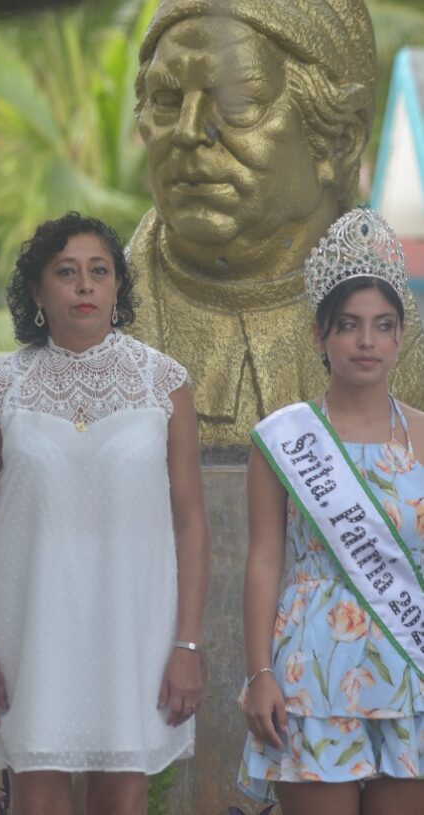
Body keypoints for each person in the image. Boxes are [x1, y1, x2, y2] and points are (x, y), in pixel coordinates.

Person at [0, 212, 210, 815]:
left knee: (124, 799)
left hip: (135, 633)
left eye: (100, 271)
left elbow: (192, 523)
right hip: (30, 633)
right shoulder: (0, 389)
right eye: (66, 273)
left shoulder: (163, 385)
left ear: (118, 286)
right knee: (38, 801)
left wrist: (188, 645)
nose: (85, 285)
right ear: (38, 293)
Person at [129, 0, 424, 448]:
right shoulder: (89, 338)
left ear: (338, 144)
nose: (189, 131)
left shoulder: (412, 355)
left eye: (236, 102)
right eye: (167, 101)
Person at [239, 208, 424, 813]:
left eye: (382, 325)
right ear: (320, 333)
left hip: (410, 668)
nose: (366, 341)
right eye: (349, 325)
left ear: (401, 336)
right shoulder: (285, 438)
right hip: (311, 671)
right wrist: (258, 674)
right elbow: (265, 560)